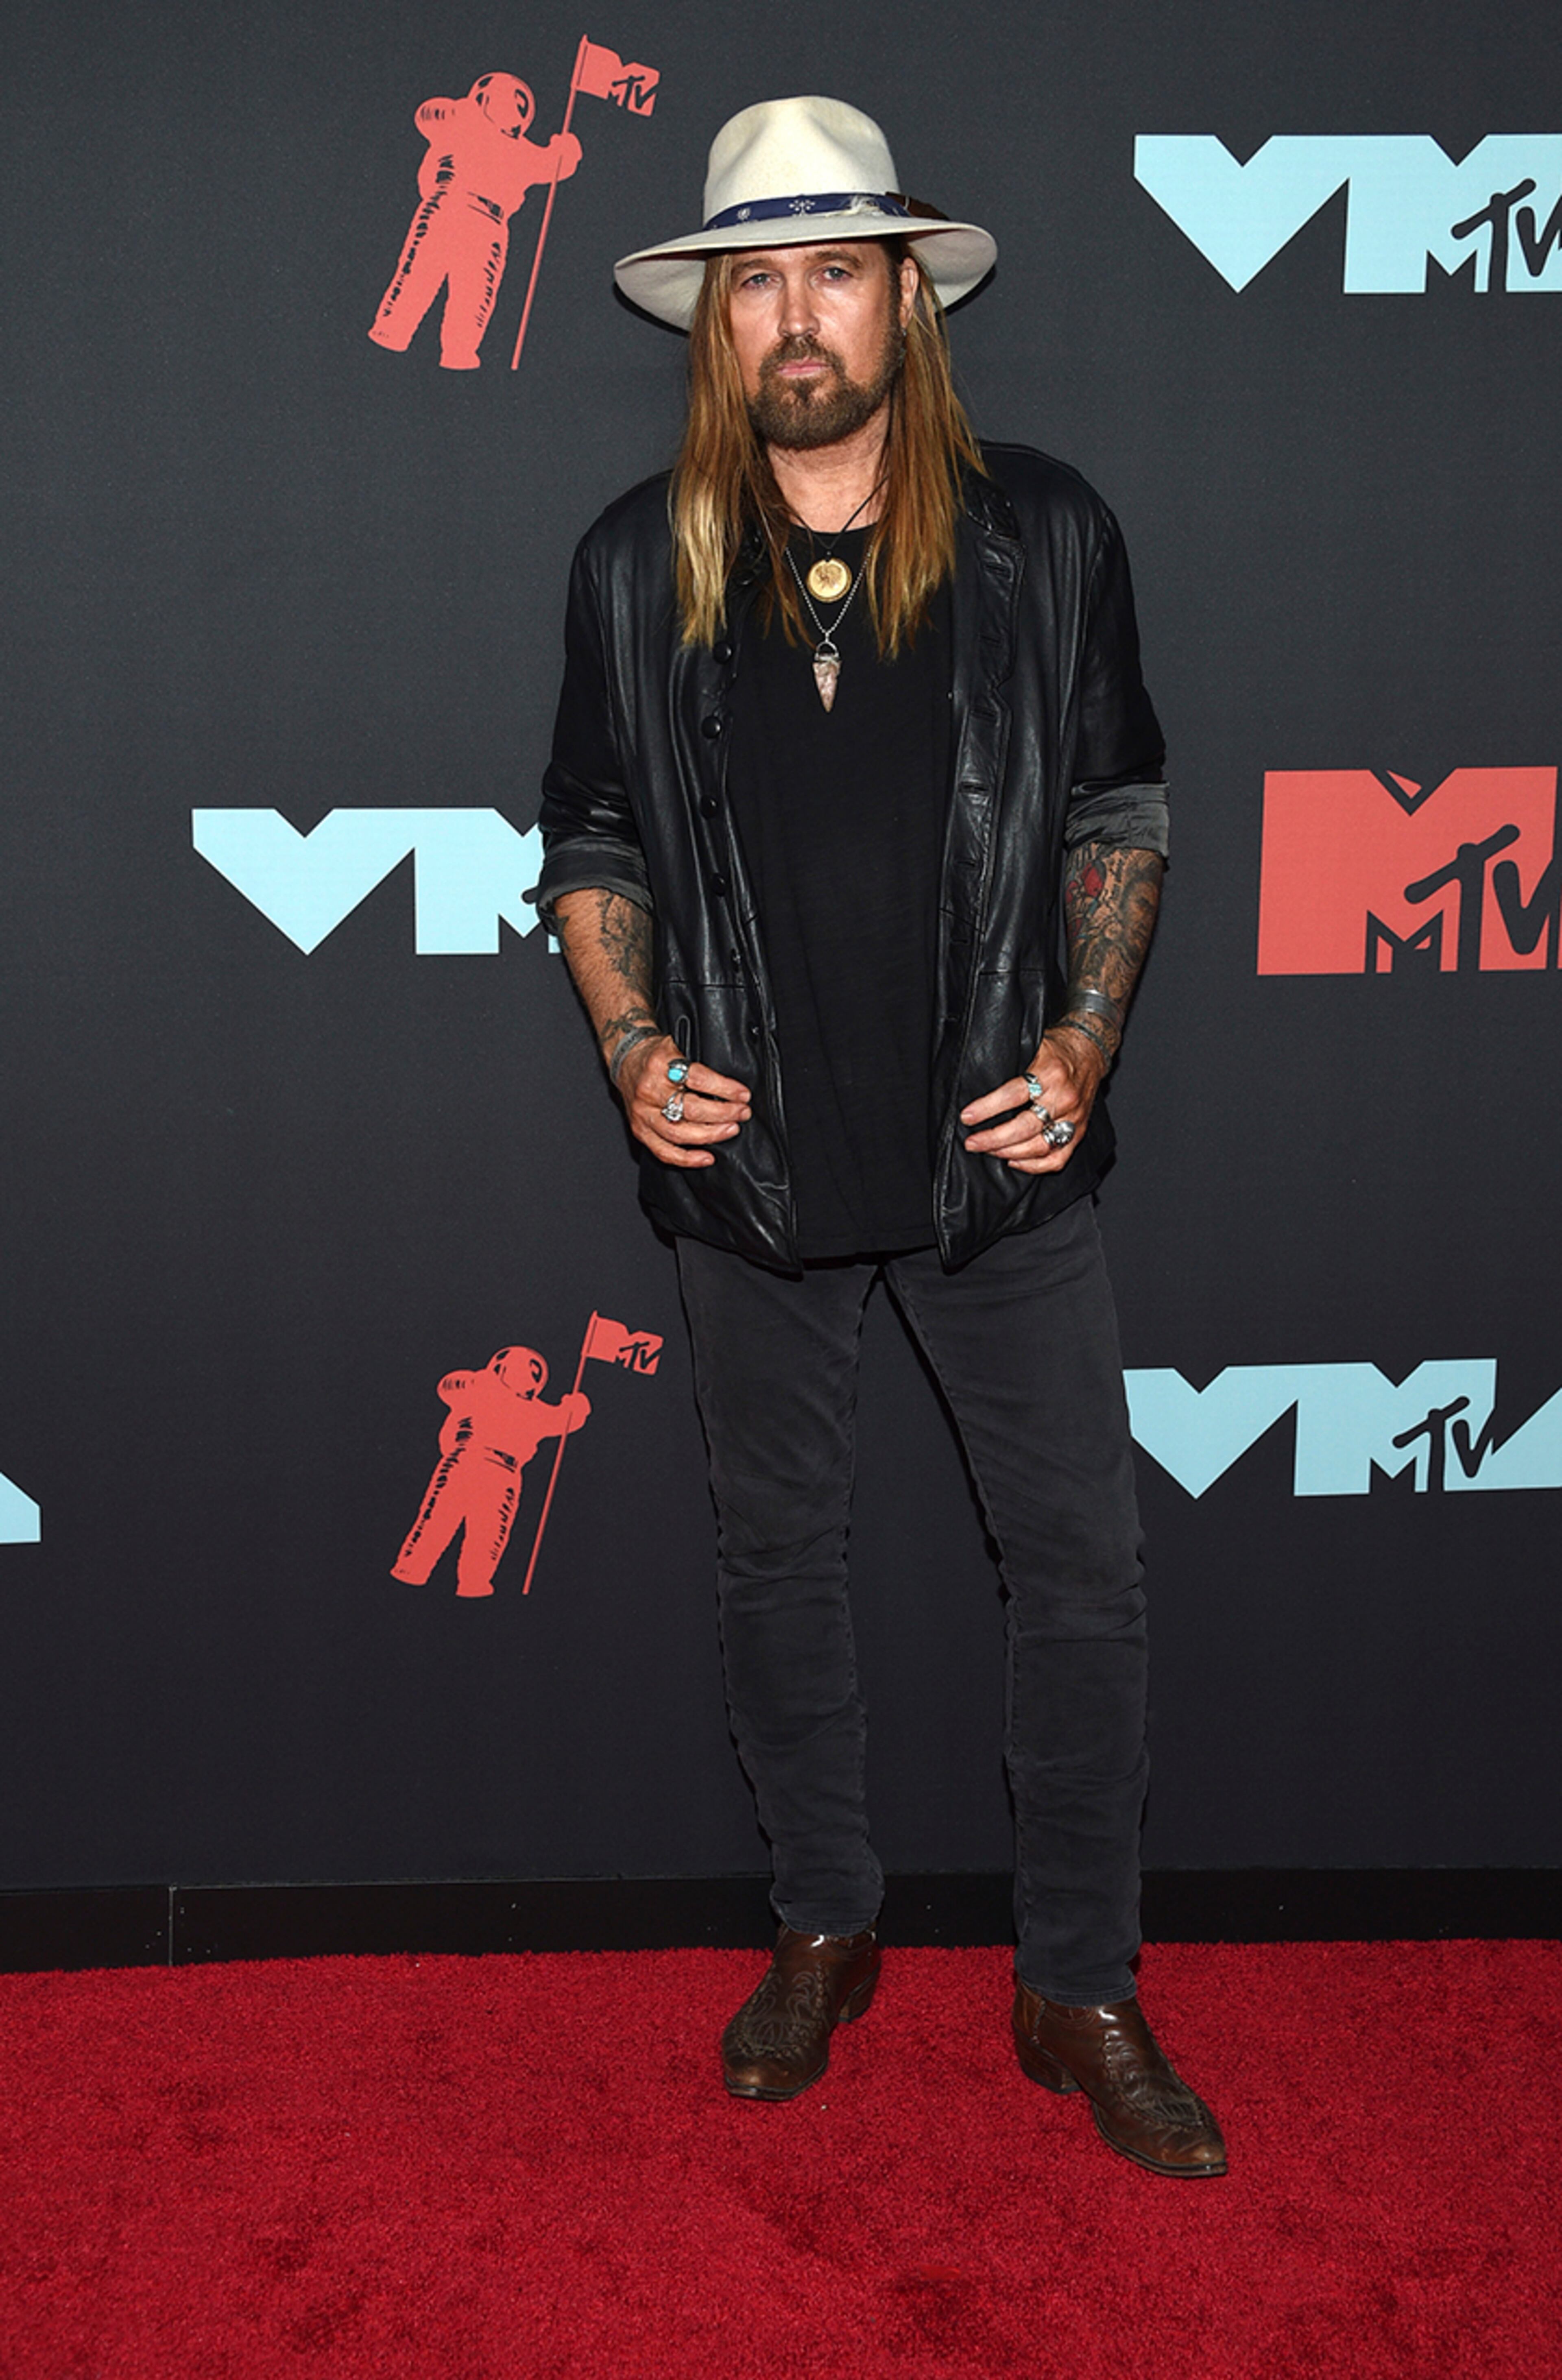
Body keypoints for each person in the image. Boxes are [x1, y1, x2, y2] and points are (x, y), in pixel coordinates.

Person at [533, 96, 1225, 2177]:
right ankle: (824, 1923)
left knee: (1085, 1572)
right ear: (718, 324)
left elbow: (1117, 812)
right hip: (749, 1173)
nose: (800, 314)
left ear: (907, 302)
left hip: (999, 1166)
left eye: (839, 268)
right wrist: (632, 1040)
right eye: (762, 278)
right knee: (776, 1567)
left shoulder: (1051, 534)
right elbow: (588, 840)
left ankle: (1077, 1981)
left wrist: (1091, 1034)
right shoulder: (634, 562)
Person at [369, 74, 581, 370]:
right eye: (511, 99)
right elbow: (427, 115)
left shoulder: (521, 151)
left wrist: (566, 150)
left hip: (490, 223)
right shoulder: (460, 121)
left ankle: (459, 352)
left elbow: (553, 166)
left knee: (475, 293)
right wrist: (462, 110)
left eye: (521, 105)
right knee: (421, 273)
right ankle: (392, 331)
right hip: (449, 204)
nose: (516, 108)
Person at [392, 1348, 589, 1598]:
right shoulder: (478, 1388)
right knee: (442, 1521)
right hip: (468, 1460)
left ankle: (468, 1583)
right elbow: (447, 1386)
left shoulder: (531, 1410)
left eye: (531, 1372)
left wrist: (576, 1407)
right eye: (520, 1368)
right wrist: (575, 1408)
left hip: (500, 1471)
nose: (525, 1375)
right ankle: (415, 1570)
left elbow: (564, 1420)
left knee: (485, 1533)